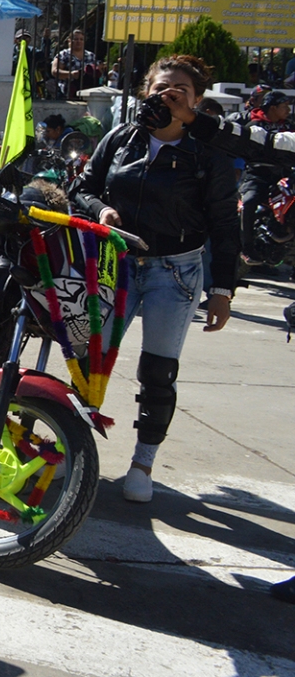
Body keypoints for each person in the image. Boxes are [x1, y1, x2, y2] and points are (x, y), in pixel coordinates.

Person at [69, 54, 237, 504]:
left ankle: (142, 464)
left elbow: (225, 225)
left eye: (179, 92)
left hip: (176, 272)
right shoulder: (121, 138)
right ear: (146, 91)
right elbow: (82, 189)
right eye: (160, 88)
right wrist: (101, 210)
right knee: (90, 360)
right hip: (116, 264)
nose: (166, 97)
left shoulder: (208, 154)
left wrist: (222, 290)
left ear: (195, 102)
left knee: (158, 372)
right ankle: (72, 445)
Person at [238, 90, 293, 267]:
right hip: (258, 175)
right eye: (284, 106)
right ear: (273, 108)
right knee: (249, 202)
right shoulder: (255, 125)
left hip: (285, 176)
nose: (288, 110)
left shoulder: (289, 126)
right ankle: (246, 248)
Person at [52, 28, 98, 100]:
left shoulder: (91, 55)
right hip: (67, 92)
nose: (78, 41)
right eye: (76, 39)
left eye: (81, 39)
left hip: (88, 92)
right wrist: (71, 74)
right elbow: (54, 71)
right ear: (69, 40)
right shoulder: (63, 54)